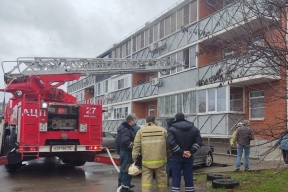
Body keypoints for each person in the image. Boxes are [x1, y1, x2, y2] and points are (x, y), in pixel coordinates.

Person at [132, 116, 169, 192]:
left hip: (146, 161)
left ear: (146, 121)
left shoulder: (140, 131)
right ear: (154, 121)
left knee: (146, 180)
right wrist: (168, 154)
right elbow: (168, 145)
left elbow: (136, 146)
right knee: (162, 179)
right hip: (160, 160)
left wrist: (134, 157)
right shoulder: (163, 130)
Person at [167, 113, 202, 192]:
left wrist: (181, 152)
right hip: (189, 156)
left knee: (176, 176)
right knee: (189, 175)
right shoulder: (194, 128)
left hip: (176, 156)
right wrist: (191, 151)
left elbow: (171, 142)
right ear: (184, 118)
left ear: (175, 118)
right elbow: (199, 142)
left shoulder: (172, 128)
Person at [115, 113, 140, 189]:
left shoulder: (123, 128)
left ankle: (122, 184)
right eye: (134, 121)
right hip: (127, 152)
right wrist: (134, 146)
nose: (134, 123)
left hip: (124, 151)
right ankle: (125, 188)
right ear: (131, 120)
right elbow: (125, 141)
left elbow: (119, 140)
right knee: (126, 169)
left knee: (123, 168)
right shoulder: (126, 130)